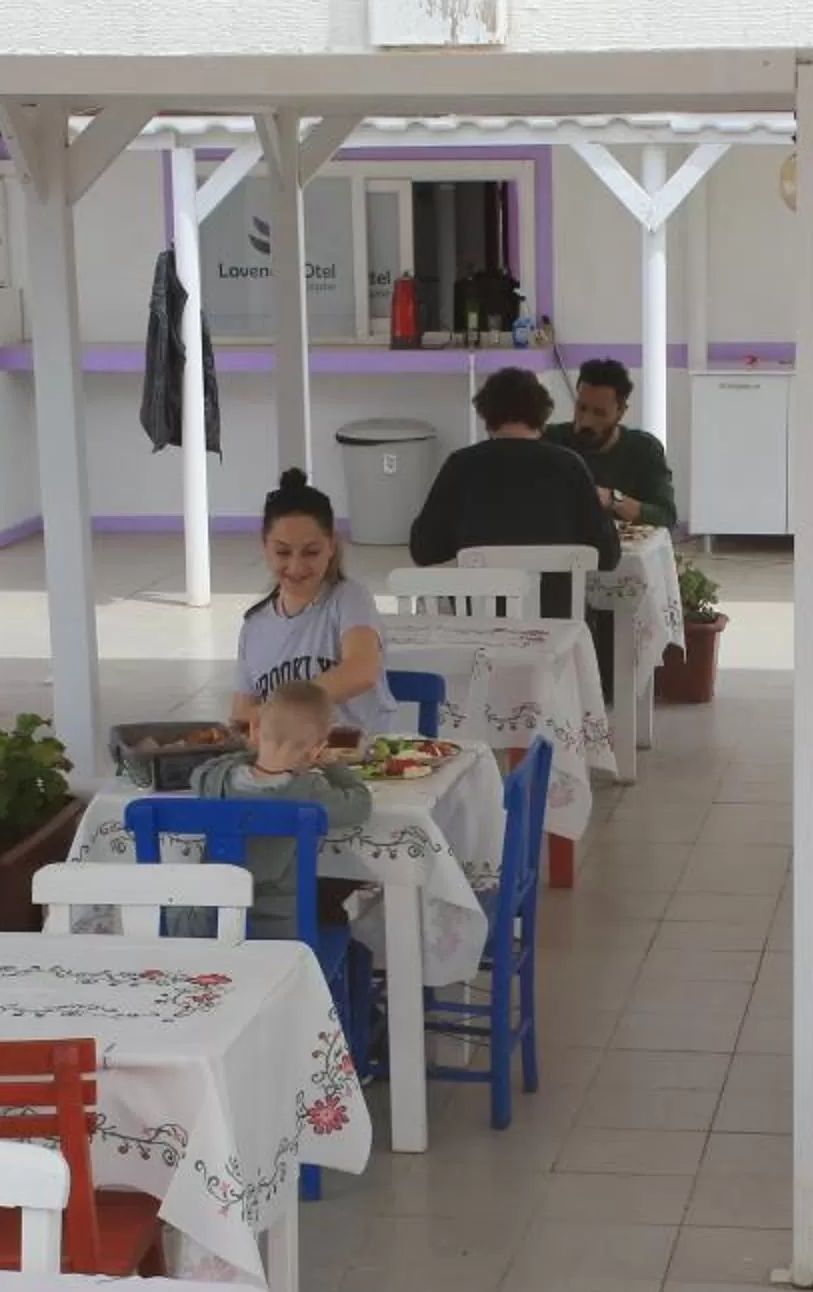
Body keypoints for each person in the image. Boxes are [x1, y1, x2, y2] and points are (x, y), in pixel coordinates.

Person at [410, 364, 625, 688]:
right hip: (555, 630)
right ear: (543, 415)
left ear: (486, 415)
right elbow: (607, 556)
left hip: (479, 629)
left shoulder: (462, 465)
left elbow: (423, 549)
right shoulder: (569, 466)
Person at [188, 680, 371, 941]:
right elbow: (361, 804)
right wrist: (333, 766)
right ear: (317, 749)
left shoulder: (217, 779)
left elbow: (200, 772)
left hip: (211, 926)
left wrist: (249, 755)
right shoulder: (310, 792)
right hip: (277, 934)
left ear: (254, 731)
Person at [234, 469, 401, 739]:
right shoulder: (253, 627)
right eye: (282, 552)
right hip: (289, 768)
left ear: (331, 546)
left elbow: (361, 670)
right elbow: (242, 718)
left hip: (361, 764)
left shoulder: (349, 599)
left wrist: (277, 709)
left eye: (311, 552)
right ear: (264, 546)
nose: (296, 566)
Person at [547, 356, 677, 531]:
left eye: (599, 413)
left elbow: (666, 516)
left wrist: (612, 499)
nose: (586, 421)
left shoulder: (644, 449)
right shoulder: (552, 440)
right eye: (582, 408)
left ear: (621, 412)